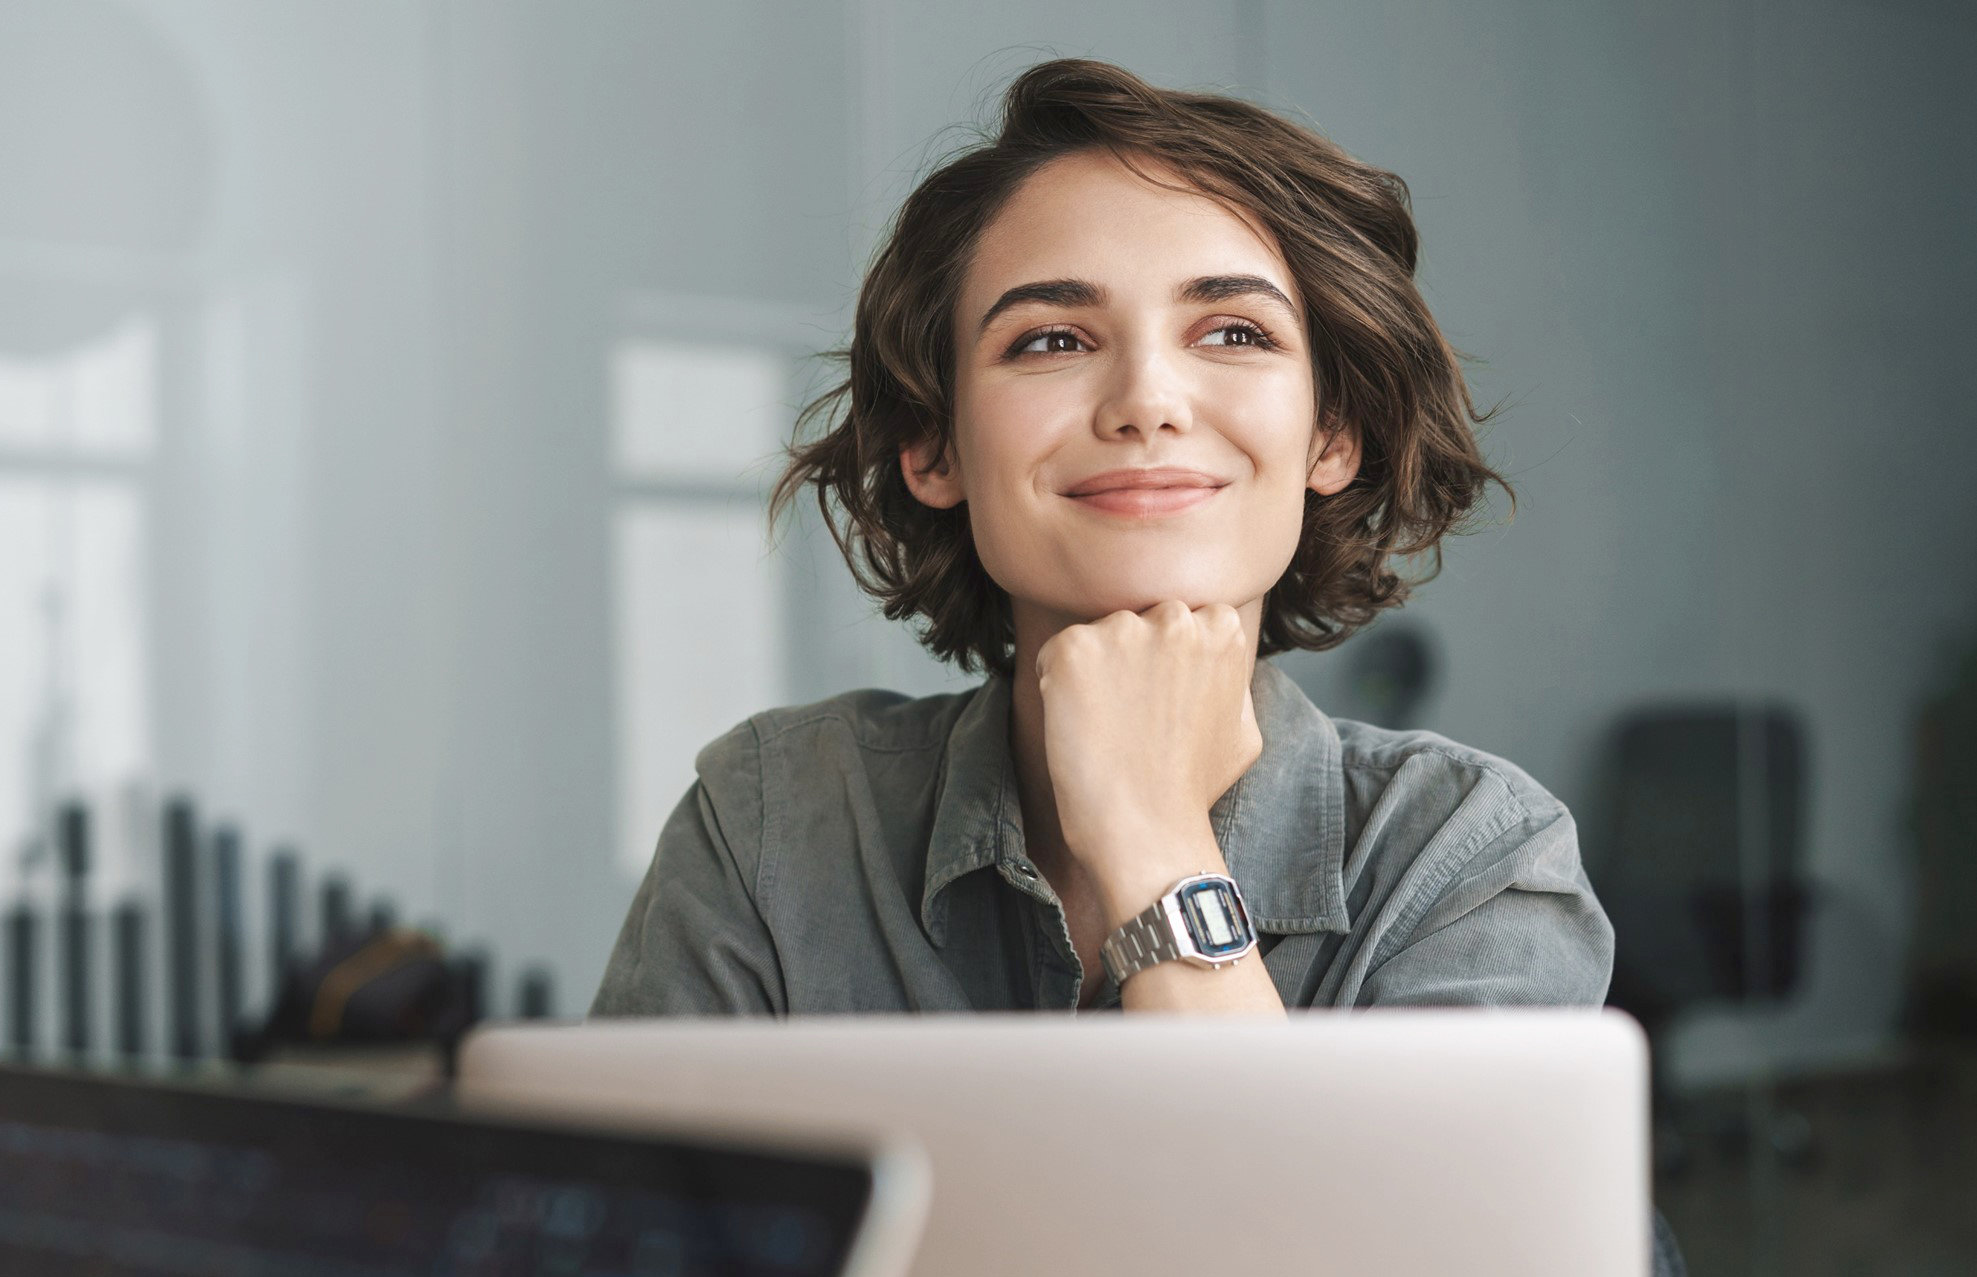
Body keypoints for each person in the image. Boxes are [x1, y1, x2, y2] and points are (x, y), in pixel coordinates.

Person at [590, 56, 1685, 1274]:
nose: (1148, 398)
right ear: (932, 445)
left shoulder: (1471, 859)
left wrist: (1153, 837)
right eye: (1053, 338)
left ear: (1331, 432)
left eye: (1233, 330)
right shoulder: (772, 821)